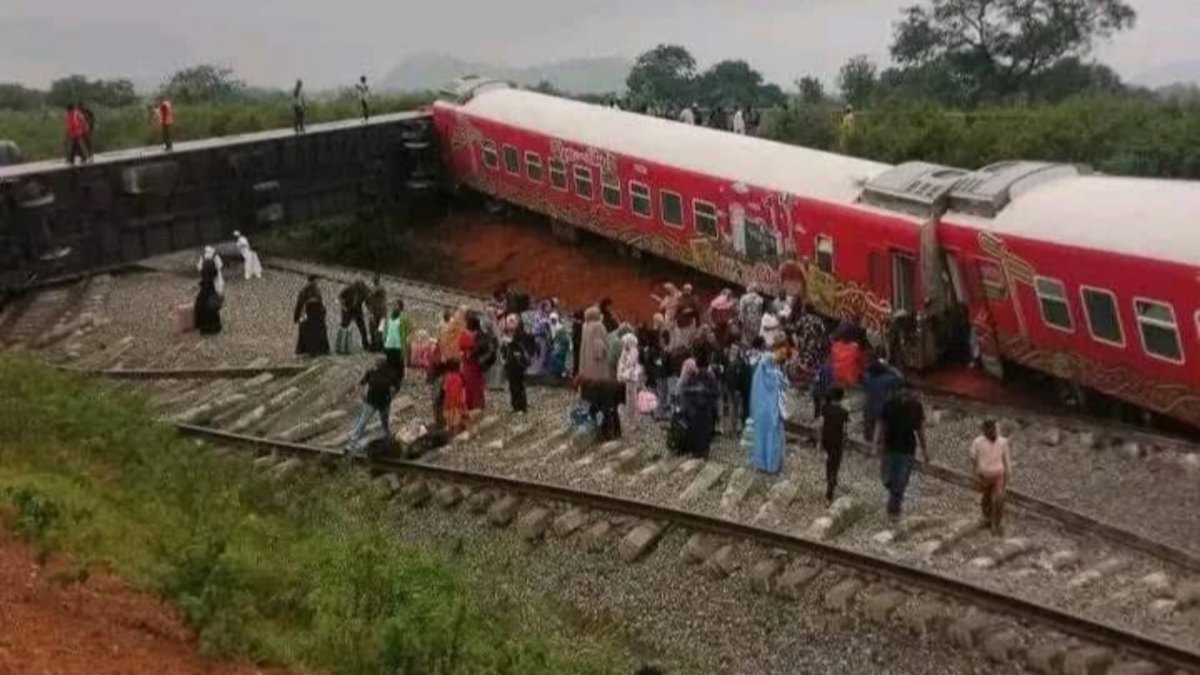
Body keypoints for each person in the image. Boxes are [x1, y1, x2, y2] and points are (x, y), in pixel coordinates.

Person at [876, 382, 928, 520]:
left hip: (906, 448)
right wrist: (880, 444)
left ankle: (894, 510)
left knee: (900, 481)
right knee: (888, 479)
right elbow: (883, 425)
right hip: (891, 447)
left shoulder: (917, 407)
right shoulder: (890, 404)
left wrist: (924, 450)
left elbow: (920, 430)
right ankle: (894, 503)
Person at [750, 345, 788, 474]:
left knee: (763, 435)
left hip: (763, 410)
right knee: (773, 436)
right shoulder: (776, 375)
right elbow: (784, 387)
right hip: (772, 410)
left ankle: (762, 463)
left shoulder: (762, 372)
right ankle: (772, 464)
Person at [346, 358, 395, 458]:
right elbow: (361, 383)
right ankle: (352, 443)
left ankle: (388, 439)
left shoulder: (389, 375)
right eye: (376, 365)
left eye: (377, 365)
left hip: (383, 404)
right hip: (371, 402)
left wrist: (390, 398)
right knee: (362, 422)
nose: (375, 366)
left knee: (384, 423)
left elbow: (394, 388)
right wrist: (360, 394)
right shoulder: (371, 373)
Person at [970, 420, 1012, 535]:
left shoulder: (1003, 442)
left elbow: (1007, 460)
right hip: (983, 476)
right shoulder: (978, 442)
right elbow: (973, 458)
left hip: (998, 475)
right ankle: (986, 517)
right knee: (986, 497)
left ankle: (996, 523)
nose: (993, 432)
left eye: (994, 429)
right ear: (984, 431)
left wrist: (1008, 474)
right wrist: (975, 473)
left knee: (998, 499)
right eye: (989, 430)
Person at [679, 354, 720, 458]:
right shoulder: (693, 376)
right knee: (695, 430)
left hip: (706, 408)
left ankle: (704, 451)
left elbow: (715, 392)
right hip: (695, 408)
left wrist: (705, 391)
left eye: (704, 368)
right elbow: (684, 390)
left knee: (706, 432)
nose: (702, 371)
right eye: (700, 368)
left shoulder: (710, 377)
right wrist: (695, 390)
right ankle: (696, 451)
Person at [820, 388, 849, 504]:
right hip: (837, 441)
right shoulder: (844, 412)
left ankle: (829, 477)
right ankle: (830, 492)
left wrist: (819, 442)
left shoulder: (825, 408)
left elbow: (821, 425)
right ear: (841, 398)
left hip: (826, 439)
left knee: (829, 460)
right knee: (835, 464)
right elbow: (845, 431)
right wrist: (846, 441)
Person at [501, 314, 532, 414]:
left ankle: (521, 407)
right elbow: (503, 349)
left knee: (519, 385)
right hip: (509, 362)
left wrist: (514, 346)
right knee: (512, 385)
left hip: (518, 363)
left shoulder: (521, 334)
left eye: (512, 321)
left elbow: (524, 347)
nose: (509, 323)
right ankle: (515, 405)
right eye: (509, 321)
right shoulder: (506, 334)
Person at [460, 314, 488, 411]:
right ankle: (471, 403)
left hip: (474, 362)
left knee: (474, 383)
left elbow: (481, 347)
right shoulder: (478, 335)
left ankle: (476, 403)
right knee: (470, 383)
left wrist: (471, 352)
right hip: (469, 361)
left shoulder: (480, 336)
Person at [336, 278, 371, 354]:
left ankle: (365, 344)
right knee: (344, 327)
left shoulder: (364, 291)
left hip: (357, 309)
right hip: (347, 308)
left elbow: (367, 301)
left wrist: (369, 310)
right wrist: (343, 306)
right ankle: (340, 344)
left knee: (362, 327)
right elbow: (339, 296)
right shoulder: (349, 288)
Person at [381, 302, 412, 385]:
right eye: (394, 306)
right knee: (392, 363)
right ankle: (392, 380)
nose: (394, 307)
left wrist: (405, 340)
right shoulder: (389, 318)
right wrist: (383, 341)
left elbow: (409, 329)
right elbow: (384, 330)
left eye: (396, 306)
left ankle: (396, 380)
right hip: (391, 345)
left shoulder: (403, 319)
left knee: (397, 364)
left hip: (396, 346)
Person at [616, 333, 643, 431]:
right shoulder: (627, 350)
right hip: (628, 378)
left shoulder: (633, 351)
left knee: (632, 400)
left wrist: (622, 369)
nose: (624, 345)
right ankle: (632, 420)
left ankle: (633, 421)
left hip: (631, 378)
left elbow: (629, 364)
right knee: (630, 400)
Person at [442, 358, 468, 435]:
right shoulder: (460, 376)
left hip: (449, 400)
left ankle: (450, 429)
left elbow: (444, 388)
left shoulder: (447, 376)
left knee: (449, 417)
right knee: (457, 416)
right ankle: (456, 431)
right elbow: (463, 388)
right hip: (458, 399)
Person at [366, 275, 388, 352]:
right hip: (376, 312)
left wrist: (370, 293)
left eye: (375, 279)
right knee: (374, 329)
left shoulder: (380, 289)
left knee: (380, 330)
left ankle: (378, 345)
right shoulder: (375, 290)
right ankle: (375, 345)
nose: (374, 280)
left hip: (381, 313)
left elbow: (376, 291)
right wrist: (370, 313)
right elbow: (370, 302)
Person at [547, 313, 571, 378]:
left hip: (562, 345)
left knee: (554, 356)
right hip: (558, 345)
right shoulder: (552, 327)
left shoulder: (560, 327)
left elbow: (564, 339)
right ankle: (559, 372)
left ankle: (564, 370)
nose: (552, 321)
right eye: (551, 319)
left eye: (553, 319)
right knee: (559, 358)